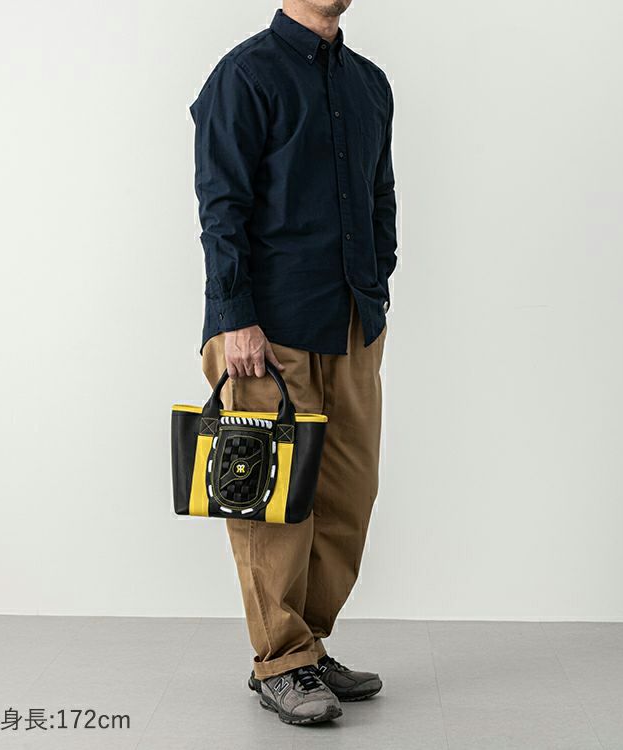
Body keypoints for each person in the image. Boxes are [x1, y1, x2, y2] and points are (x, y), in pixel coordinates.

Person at [189, 0, 397, 725]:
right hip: (265, 330)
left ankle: (307, 643)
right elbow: (221, 205)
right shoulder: (245, 74)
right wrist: (234, 317)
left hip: (351, 321)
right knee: (270, 500)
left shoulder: (369, 82)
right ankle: (279, 659)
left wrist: (376, 284)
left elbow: (380, 193)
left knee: (347, 493)